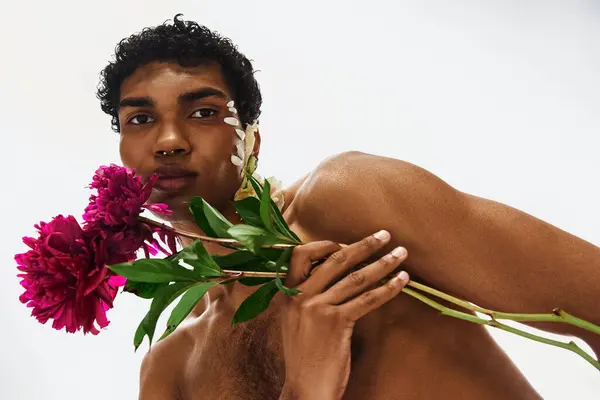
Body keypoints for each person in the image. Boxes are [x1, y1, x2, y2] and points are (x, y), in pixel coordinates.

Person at [98, 14, 600, 400]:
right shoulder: (169, 368)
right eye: (140, 119)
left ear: (251, 140)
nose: (168, 140)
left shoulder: (350, 202)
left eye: (203, 112)